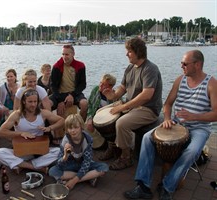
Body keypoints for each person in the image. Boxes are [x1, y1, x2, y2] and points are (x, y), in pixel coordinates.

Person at [124, 50, 217, 200]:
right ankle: (143, 186)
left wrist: (194, 116)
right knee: (148, 137)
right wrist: (167, 118)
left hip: (199, 127)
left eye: (185, 64)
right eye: (181, 63)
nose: (181, 66)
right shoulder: (180, 80)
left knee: (192, 151)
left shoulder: (211, 83)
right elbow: (167, 104)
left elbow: (216, 114)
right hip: (177, 123)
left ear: (198, 64)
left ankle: (167, 186)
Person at [101, 37, 162, 170]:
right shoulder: (129, 68)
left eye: (129, 51)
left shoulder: (150, 69)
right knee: (102, 113)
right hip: (132, 105)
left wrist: (122, 107)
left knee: (121, 123)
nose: (126, 54)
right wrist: (112, 95)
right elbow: (122, 89)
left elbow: (147, 95)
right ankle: (113, 147)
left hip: (148, 109)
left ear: (138, 52)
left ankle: (126, 157)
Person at [0, 88, 64, 173]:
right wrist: (21, 133)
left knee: (60, 151)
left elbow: (62, 121)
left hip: (39, 150)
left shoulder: (43, 113)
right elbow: (0, 132)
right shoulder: (17, 115)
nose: (33, 105)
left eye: (35, 102)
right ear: (24, 101)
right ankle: (36, 167)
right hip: (22, 151)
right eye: (30, 102)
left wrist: (50, 128)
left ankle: (22, 165)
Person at [49, 114, 109, 190]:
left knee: (104, 167)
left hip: (83, 163)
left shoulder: (87, 139)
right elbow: (59, 165)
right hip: (70, 165)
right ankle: (89, 177)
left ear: (81, 127)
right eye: (70, 128)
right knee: (52, 171)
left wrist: (74, 181)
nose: (73, 130)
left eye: (76, 127)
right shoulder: (65, 140)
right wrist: (65, 156)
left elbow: (86, 162)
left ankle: (75, 180)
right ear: (67, 129)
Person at [50, 44, 88, 121]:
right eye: (63, 54)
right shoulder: (56, 66)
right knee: (46, 104)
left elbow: (82, 84)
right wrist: (60, 101)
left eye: (67, 54)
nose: (64, 56)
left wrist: (72, 95)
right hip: (59, 94)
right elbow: (52, 85)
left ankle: (80, 124)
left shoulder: (80, 66)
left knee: (84, 104)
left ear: (73, 54)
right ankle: (51, 129)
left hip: (74, 93)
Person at [85, 74, 117, 150]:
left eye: (104, 85)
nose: (100, 85)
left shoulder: (114, 95)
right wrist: (89, 118)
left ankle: (110, 145)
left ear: (110, 87)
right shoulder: (96, 90)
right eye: (100, 83)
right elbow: (90, 105)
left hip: (106, 120)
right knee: (86, 126)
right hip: (95, 116)